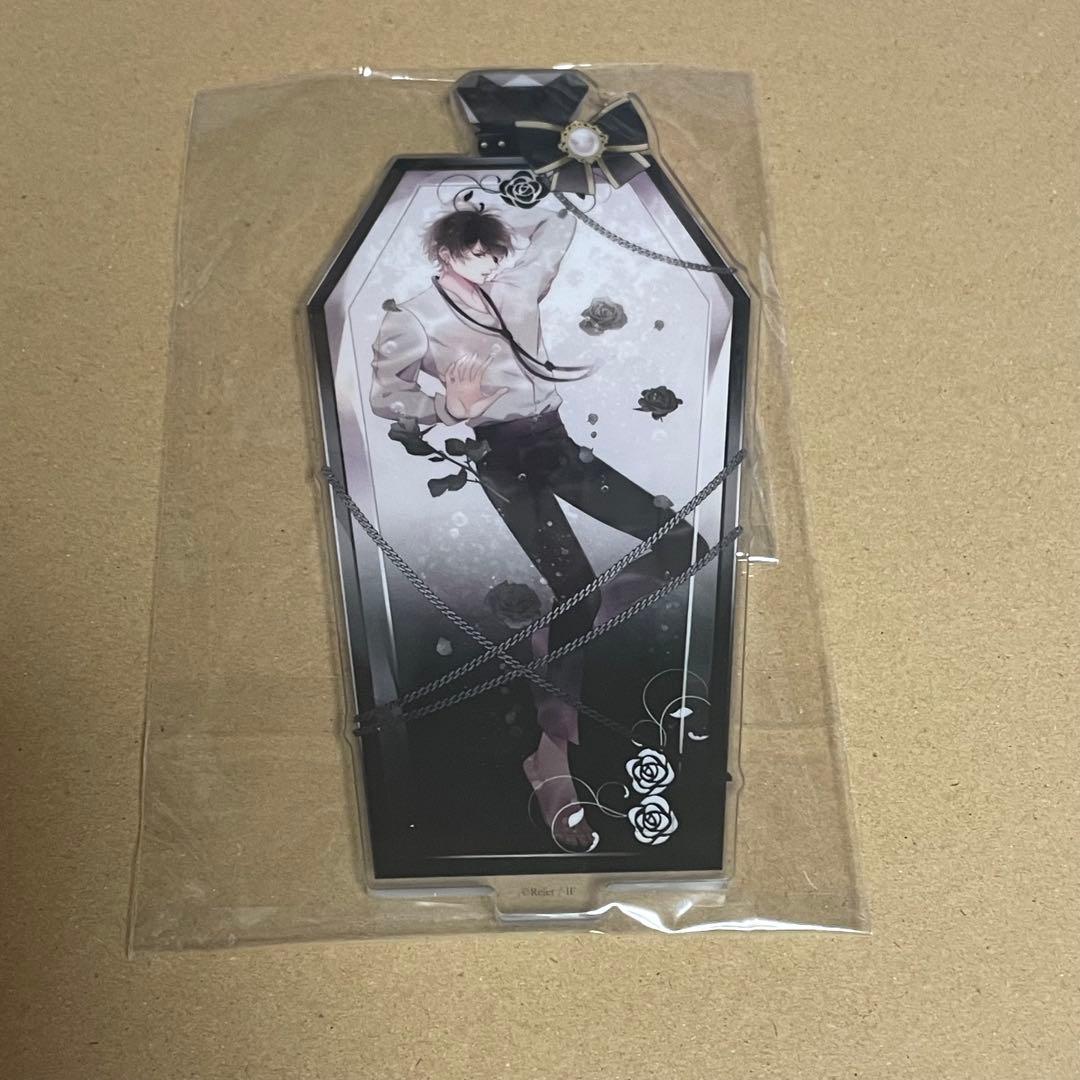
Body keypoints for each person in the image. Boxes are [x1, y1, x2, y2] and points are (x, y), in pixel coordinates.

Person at [370, 201, 701, 851]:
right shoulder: (415, 316)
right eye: (477, 255)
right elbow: (386, 394)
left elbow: (560, 225)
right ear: (445, 254)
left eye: (495, 254)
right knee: (576, 588)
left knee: (683, 541)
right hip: (500, 457)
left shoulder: (517, 282)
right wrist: (444, 406)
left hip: (556, 443)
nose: (490, 265)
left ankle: (558, 635)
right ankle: (552, 753)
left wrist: (503, 221)